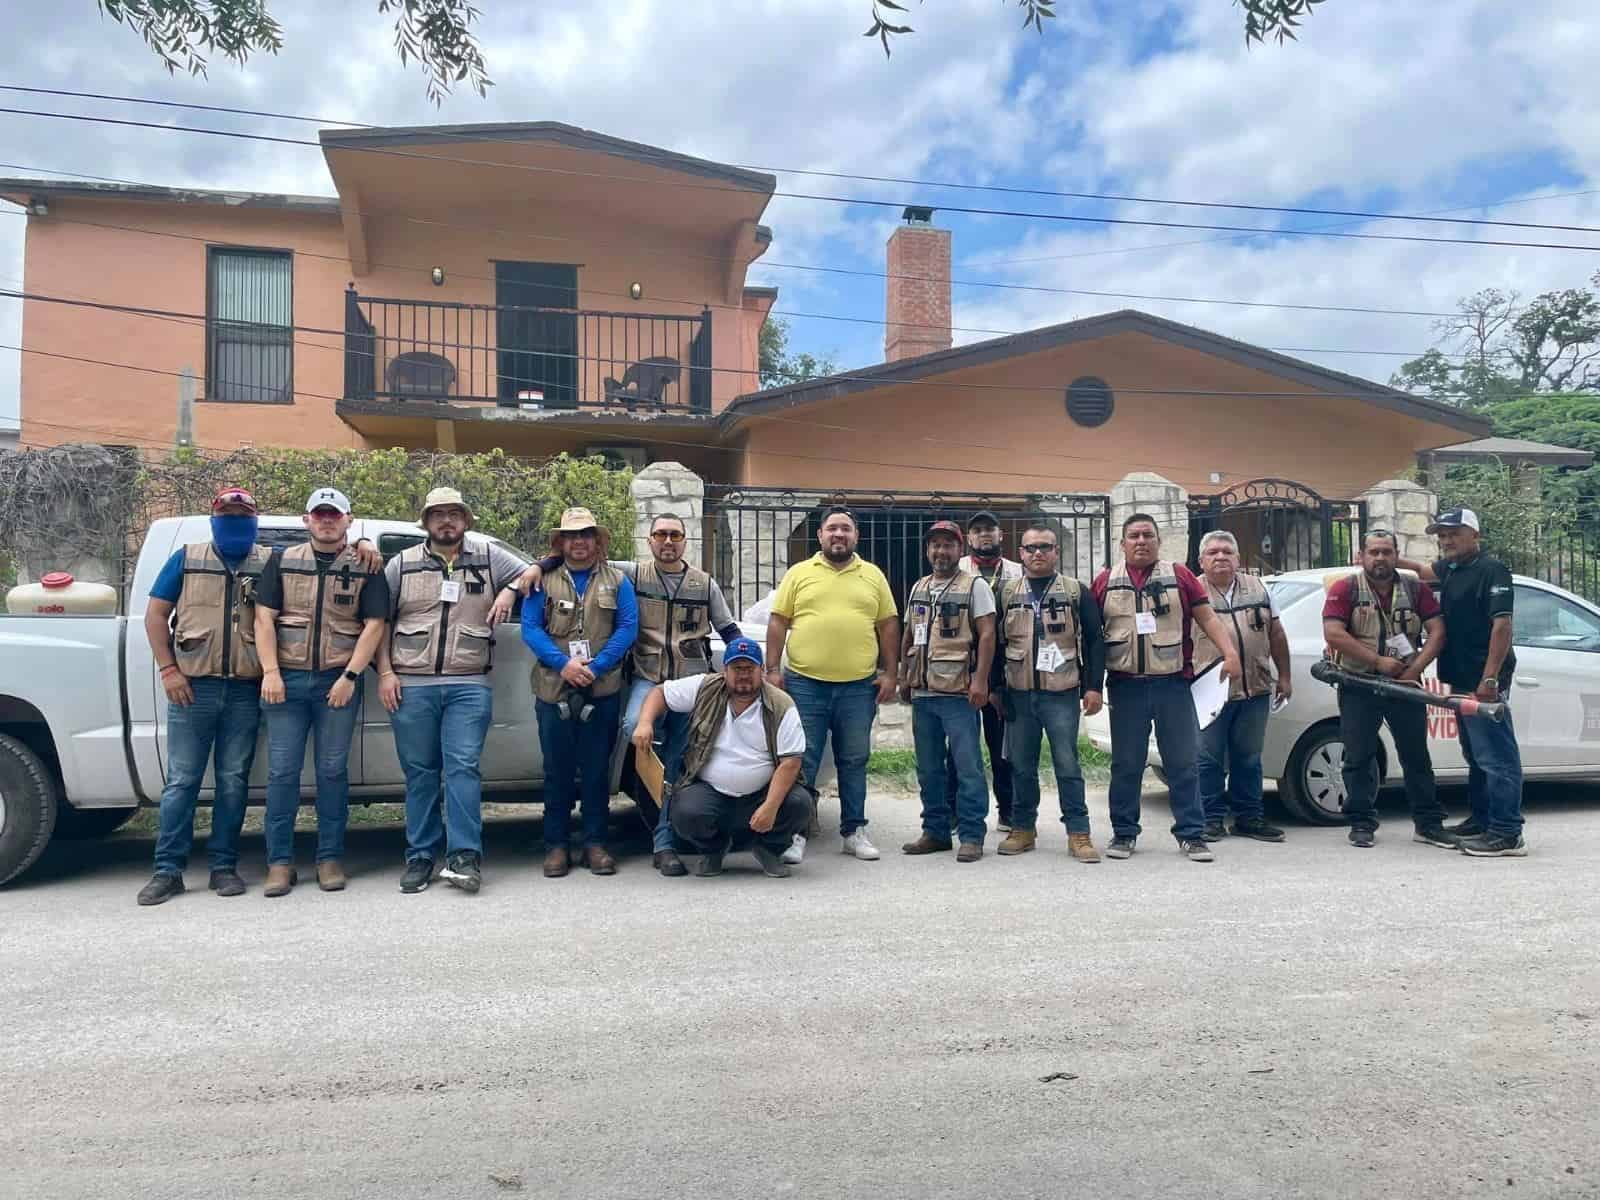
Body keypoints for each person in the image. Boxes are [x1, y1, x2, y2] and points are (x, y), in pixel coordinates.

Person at [377, 487, 534, 895]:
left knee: (463, 768)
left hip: (469, 685)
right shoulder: (402, 564)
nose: (446, 521)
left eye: (454, 514)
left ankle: (464, 856)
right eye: (438, 514)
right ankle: (420, 856)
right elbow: (379, 622)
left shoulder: (487, 557)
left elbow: (538, 570)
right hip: (411, 686)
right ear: (425, 521)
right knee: (421, 774)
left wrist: (510, 589)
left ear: (466, 519)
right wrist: (385, 673)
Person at [136, 487, 275, 905]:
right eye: (228, 515)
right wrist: (168, 669)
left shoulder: (268, 563)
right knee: (182, 782)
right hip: (192, 688)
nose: (235, 521)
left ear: (254, 520)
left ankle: (223, 867)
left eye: (243, 515)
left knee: (233, 782)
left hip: (244, 691)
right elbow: (155, 615)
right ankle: (167, 870)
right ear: (215, 518)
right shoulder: (187, 558)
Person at [253, 487, 388, 896]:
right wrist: (271, 672)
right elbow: (263, 619)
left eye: (335, 514)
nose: (327, 520)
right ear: (306, 519)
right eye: (320, 514)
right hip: (286, 683)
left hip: (337, 683)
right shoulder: (283, 561)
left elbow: (375, 624)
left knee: (332, 774)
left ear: (349, 519)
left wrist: (349, 677)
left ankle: (329, 858)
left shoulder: (367, 565)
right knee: (282, 775)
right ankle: (279, 863)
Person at [1091, 513, 1242, 863]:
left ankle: (1191, 834)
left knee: (1183, 763)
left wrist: (1230, 653)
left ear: (1158, 542)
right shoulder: (1104, 582)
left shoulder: (1180, 576)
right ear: (1122, 543)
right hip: (1125, 687)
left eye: (1147, 535)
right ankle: (1124, 833)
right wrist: (1091, 686)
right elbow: (1091, 638)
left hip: (1172, 684)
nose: (1141, 541)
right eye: (1134, 536)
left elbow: (1207, 618)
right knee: (1127, 765)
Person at [766, 505, 899, 864]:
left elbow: (888, 624)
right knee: (802, 759)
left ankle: (854, 831)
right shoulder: (799, 573)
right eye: (832, 529)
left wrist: (890, 672)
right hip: (805, 684)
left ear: (856, 536)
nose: (839, 535)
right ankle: (797, 832)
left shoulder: (872, 575)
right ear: (820, 535)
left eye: (846, 529)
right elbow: (778, 621)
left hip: (858, 686)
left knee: (854, 760)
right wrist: (773, 669)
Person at [1398, 508, 1526, 856]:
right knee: (1475, 753)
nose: (1446, 540)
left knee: (1496, 756)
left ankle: (1507, 832)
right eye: (1441, 535)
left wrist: (1490, 676)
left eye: (1454, 533)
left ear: (1475, 535)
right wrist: (1394, 558)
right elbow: (1426, 572)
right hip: (1459, 676)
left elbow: (1502, 626)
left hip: (1484, 679)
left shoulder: (1492, 570)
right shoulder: (1452, 569)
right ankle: (1483, 819)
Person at [522, 507, 639, 878]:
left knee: (595, 771)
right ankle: (556, 844)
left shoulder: (617, 581)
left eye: (586, 535)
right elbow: (530, 628)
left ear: (598, 541)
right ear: (561, 542)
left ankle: (595, 843)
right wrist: (564, 664)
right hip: (554, 687)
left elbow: (628, 627)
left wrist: (597, 667)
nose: (579, 542)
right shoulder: (542, 580)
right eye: (572, 536)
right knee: (556, 770)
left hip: (601, 687)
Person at [632, 637, 811, 877]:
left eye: (750, 669)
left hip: (761, 793)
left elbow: (791, 762)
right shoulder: (706, 687)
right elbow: (659, 693)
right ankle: (714, 850)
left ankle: (768, 849)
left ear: (762, 671)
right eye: (737, 669)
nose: (744, 675)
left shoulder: (781, 704)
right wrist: (644, 723)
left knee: (800, 804)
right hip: (711, 791)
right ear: (724, 671)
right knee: (683, 811)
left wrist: (770, 806)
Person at [1322, 530, 1453, 850]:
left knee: (1416, 756)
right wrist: (1378, 661)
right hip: (1359, 684)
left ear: (1396, 554)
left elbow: (1437, 631)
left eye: (1386, 551)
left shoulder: (1414, 588)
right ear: (1361, 556)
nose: (1380, 558)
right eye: (1373, 552)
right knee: (1358, 756)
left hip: (1405, 686)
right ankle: (1361, 822)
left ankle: (1428, 823)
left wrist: (1414, 672)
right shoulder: (1346, 588)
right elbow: (1334, 633)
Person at [995, 522, 1108, 863]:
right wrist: (996, 689)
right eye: (1031, 548)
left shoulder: (1075, 591)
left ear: (1056, 552)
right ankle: (1023, 828)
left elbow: (1094, 639)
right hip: (1019, 693)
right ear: (1021, 554)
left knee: (1067, 764)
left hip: (1061, 692)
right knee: (1021, 766)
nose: (1038, 553)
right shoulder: (1007, 592)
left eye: (1045, 547)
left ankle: (1079, 833)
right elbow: (997, 644)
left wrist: (1092, 686)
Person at [897, 521, 997, 862]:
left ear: (960, 549)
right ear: (928, 550)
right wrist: (903, 676)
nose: (940, 551)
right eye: (935, 545)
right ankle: (936, 831)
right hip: (923, 691)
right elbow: (909, 633)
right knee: (928, 767)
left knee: (967, 766)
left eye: (947, 545)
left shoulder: (975, 586)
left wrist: (981, 680)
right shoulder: (919, 586)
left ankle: (971, 834)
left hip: (959, 691)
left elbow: (986, 635)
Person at [1191, 531, 1292, 844]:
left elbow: (1276, 634)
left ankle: (1249, 818)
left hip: (1255, 688)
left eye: (1226, 552)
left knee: (1248, 758)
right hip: (1209, 691)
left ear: (1238, 558)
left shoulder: (1258, 588)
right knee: (1208, 759)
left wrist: (1285, 677)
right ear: (1201, 560)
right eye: (1213, 552)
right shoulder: (1190, 591)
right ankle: (1210, 820)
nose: (1220, 557)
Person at [948, 510, 1024, 832]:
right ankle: (954, 812)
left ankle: (1007, 810)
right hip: (964, 668)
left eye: (990, 529)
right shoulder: (957, 569)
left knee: (1002, 745)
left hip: (1005, 667)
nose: (985, 535)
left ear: (1001, 535)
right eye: (978, 531)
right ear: (969, 538)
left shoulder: (1018, 572)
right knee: (959, 747)